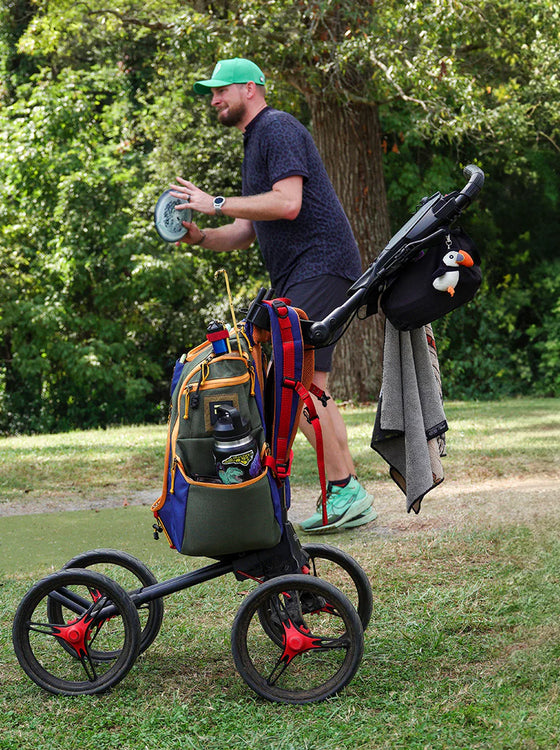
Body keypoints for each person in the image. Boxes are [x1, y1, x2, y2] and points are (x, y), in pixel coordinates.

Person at [170, 57, 375, 532]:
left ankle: (345, 491)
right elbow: (244, 230)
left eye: (221, 90)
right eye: (212, 93)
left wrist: (214, 200)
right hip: (311, 272)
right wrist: (200, 235)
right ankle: (347, 493)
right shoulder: (255, 141)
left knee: (289, 383)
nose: (215, 100)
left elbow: (288, 203)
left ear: (250, 88)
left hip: (320, 265)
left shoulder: (276, 127)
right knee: (310, 387)